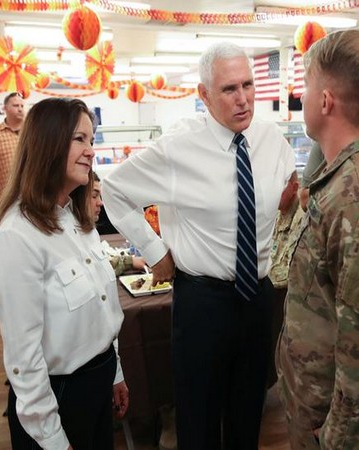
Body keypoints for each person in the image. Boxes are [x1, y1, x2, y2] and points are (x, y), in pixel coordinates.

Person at [102, 42, 295, 450]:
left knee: (248, 412)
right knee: (199, 417)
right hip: (203, 301)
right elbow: (114, 190)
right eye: (229, 89)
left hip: (257, 297)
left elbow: (287, 196)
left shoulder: (271, 139)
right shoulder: (177, 148)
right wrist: (155, 252)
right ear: (204, 95)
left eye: (248, 84)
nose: (243, 99)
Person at [276, 29, 359, 449]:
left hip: (334, 427)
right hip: (314, 405)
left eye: (307, 86)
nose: (303, 97)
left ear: (325, 100)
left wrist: (342, 434)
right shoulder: (338, 183)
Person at [0, 98, 129, 449]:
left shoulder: (79, 222)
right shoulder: (18, 237)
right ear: (48, 143)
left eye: (91, 140)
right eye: (80, 139)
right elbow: (24, 359)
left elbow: (101, 310)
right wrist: (52, 438)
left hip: (98, 382)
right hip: (59, 398)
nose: (91, 151)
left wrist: (116, 372)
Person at [267, 170, 304, 387]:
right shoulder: (275, 212)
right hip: (274, 288)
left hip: (288, 296)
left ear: (294, 186)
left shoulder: (301, 214)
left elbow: (291, 270)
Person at [90, 171, 145, 276]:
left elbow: (99, 264)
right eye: (94, 195)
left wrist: (130, 261)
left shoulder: (89, 231)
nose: (100, 202)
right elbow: (95, 270)